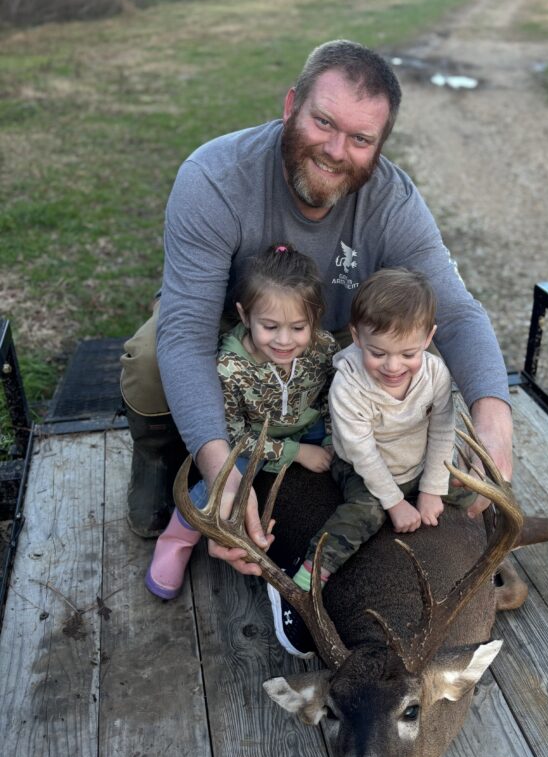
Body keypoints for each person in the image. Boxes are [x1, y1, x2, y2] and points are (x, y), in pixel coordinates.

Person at [120, 39, 514, 575]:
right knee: (149, 359)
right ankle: (159, 455)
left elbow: (460, 315)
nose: (335, 149)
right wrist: (221, 471)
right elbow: (187, 335)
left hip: (326, 340)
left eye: (360, 138)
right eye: (323, 122)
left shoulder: (393, 202)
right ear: (290, 107)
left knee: (402, 374)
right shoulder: (214, 176)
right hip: (228, 322)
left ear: (379, 147)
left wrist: (495, 420)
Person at [269, 268, 474, 658]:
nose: (393, 366)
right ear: (358, 336)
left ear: (429, 338)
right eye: (377, 352)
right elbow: (362, 451)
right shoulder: (349, 384)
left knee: (471, 494)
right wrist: (395, 502)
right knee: (364, 515)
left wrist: (432, 488)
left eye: (408, 354)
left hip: (415, 462)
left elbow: (443, 431)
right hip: (363, 467)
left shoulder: (436, 375)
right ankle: (302, 581)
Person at [144, 244, 337, 599]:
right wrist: (295, 452)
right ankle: (175, 542)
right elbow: (232, 436)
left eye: (298, 327)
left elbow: (327, 397)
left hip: (307, 424)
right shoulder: (229, 368)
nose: (284, 340)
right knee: (213, 490)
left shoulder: (321, 348)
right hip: (252, 440)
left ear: (315, 319)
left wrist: (327, 440)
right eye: (270, 326)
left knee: (348, 452)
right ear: (244, 315)